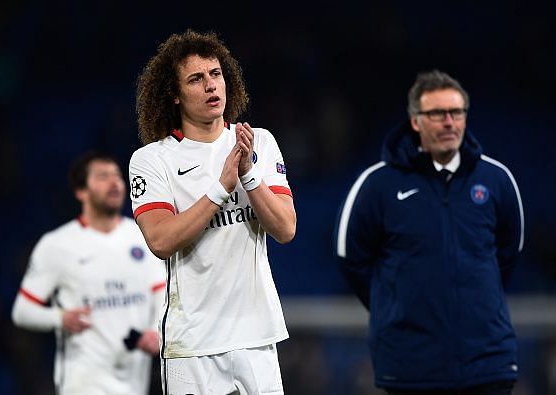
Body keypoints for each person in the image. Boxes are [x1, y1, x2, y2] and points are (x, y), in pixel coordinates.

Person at [334, 70, 524, 394]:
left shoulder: (497, 180)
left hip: (488, 364)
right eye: (437, 114)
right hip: (410, 368)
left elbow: (509, 252)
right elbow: (351, 259)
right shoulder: (377, 185)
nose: (449, 122)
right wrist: (394, 305)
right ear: (415, 121)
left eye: (457, 112)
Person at [129, 29, 296, 394]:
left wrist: (249, 175)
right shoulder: (152, 160)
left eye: (216, 74)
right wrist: (221, 188)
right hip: (193, 344)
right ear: (174, 95)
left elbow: (285, 229)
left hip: (257, 335)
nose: (211, 86)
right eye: (196, 79)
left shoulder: (259, 142)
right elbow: (160, 240)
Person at [11, 151, 166, 395]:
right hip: (83, 384)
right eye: (103, 176)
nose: (115, 182)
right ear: (81, 191)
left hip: (135, 383)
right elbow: (22, 311)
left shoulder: (142, 236)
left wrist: (157, 332)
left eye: (117, 176)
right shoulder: (57, 245)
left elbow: (161, 290)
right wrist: (60, 318)